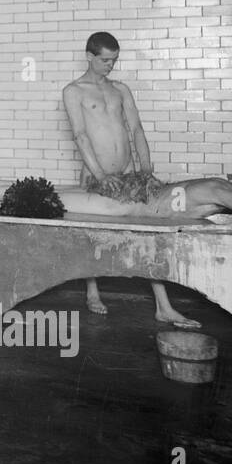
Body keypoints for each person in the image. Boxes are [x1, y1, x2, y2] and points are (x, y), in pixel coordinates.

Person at [0, 166, 232, 329]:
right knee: (43, 198)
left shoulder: (222, 185)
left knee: (53, 191)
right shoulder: (224, 191)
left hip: (131, 203)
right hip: (121, 205)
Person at [62, 31, 160, 318]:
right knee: (91, 233)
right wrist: (101, 175)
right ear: (89, 57)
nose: (110, 66)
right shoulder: (74, 91)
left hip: (128, 170)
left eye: (114, 60)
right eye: (105, 60)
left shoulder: (121, 89)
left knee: (147, 227)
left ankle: (162, 305)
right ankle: (92, 291)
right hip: (96, 172)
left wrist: (146, 170)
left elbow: (137, 130)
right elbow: (80, 136)